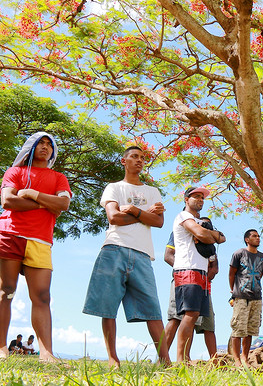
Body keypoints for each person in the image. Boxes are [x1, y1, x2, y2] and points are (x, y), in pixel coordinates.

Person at [0, 132, 70, 361]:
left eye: (49, 144)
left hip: (41, 240)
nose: (45, 147)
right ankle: (2, 350)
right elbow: (8, 201)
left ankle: (47, 353)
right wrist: (46, 204)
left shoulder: (59, 177)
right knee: (7, 291)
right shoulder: (15, 172)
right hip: (10, 234)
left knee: (42, 297)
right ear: (30, 147)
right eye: (40, 143)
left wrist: (31, 194)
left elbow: (63, 203)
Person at [82, 146, 169, 368]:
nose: (139, 160)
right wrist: (145, 214)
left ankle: (165, 361)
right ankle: (113, 358)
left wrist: (132, 210)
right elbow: (113, 217)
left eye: (142, 157)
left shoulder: (153, 191)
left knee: (152, 310)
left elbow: (159, 222)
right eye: (134, 157)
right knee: (107, 307)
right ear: (124, 161)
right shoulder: (114, 188)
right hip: (114, 248)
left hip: (142, 255)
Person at [172, 186, 225, 363]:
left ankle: (184, 358)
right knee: (189, 315)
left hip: (201, 273)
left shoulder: (197, 220)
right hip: (187, 269)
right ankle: (181, 359)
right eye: (196, 196)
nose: (200, 200)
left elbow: (222, 238)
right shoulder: (183, 216)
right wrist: (210, 235)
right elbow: (203, 234)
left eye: (202, 197)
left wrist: (209, 235)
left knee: (193, 316)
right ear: (186, 199)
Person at [164, 217, 223, 360]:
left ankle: (197, 359)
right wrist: (184, 269)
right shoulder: (181, 232)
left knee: (203, 322)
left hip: (203, 284)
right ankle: (163, 359)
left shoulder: (209, 241)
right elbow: (167, 256)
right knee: (176, 318)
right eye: (200, 223)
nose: (203, 226)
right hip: (182, 279)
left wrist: (203, 278)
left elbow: (214, 267)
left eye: (207, 225)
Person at [229, 229, 263, 366]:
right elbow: (231, 273)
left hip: (256, 297)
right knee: (238, 328)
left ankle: (245, 357)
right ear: (247, 239)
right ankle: (236, 359)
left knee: (251, 329)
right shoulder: (239, 253)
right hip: (240, 296)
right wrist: (233, 291)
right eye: (254, 236)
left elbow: (260, 274)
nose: (257, 238)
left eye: (258, 236)